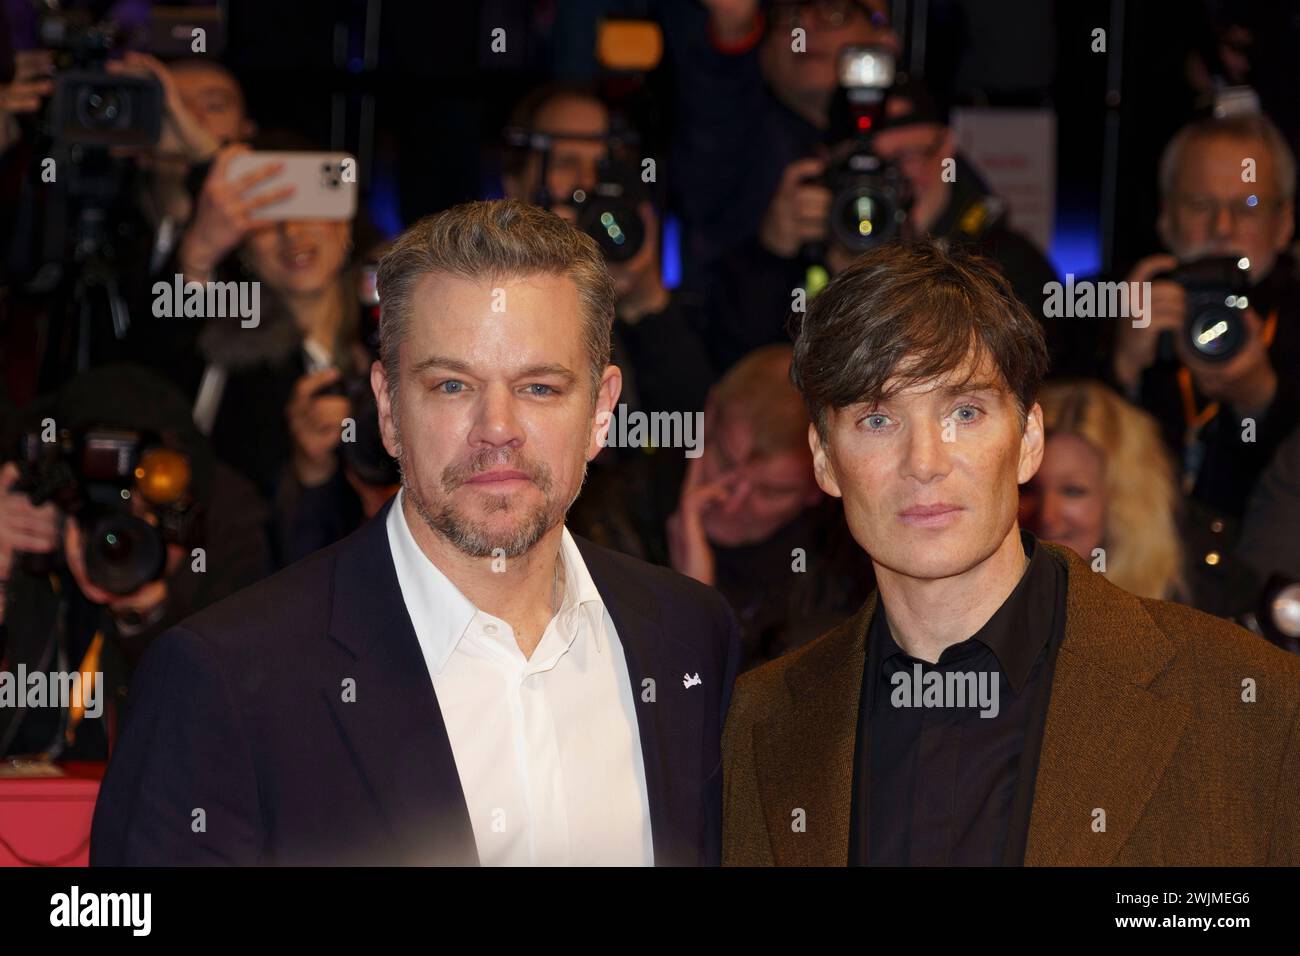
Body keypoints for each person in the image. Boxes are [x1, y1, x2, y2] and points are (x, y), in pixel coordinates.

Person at [90, 199, 740, 866]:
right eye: (453, 385)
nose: (498, 427)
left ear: (602, 411)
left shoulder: (688, 638)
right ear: (388, 408)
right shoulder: (223, 679)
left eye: (540, 388)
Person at [722, 240, 1300, 865]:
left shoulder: (1251, 703)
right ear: (823, 459)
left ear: (1028, 441)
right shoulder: (756, 727)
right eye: (878, 420)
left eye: (965, 412)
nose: (925, 464)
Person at [0, 365, 271, 761]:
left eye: (147, 510)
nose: (117, 537)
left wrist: (151, 613)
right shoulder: (28, 534)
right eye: (103, 502)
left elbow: (230, 737)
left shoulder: (224, 535)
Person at [1108, 111, 1300, 520]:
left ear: (1284, 223)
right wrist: (1120, 369)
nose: (1222, 227)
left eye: (1248, 206)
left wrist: (1262, 401)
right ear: (1166, 216)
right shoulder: (1112, 304)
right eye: (1200, 205)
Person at [666, 344, 874, 670]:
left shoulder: (836, 582)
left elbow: (757, 715)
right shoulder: (612, 514)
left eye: (770, 492)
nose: (731, 503)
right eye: (723, 462)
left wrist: (695, 603)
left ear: (822, 483)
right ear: (707, 417)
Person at [1020, 378, 1259, 620]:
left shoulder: (1200, 602)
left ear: (1124, 499)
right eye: (1029, 489)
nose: (1046, 516)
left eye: (1073, 491)